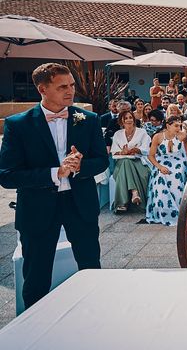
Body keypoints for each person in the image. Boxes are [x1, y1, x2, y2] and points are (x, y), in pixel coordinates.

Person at [0, 63, 108, 309]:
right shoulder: (18, 125)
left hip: (80, 204)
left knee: (91, 267)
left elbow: (101, 160)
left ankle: (98, 318)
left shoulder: (88, 120)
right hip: (37, 208)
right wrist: (54, 173)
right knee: (36, 277)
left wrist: (80, 167)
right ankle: (35, 333)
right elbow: (7, 175)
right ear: (42, 89)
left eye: (71, 85)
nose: (71, 91)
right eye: (62, 87)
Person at [146, 115, 187, 225]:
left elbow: (186, 144)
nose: (179, 128)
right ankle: (162, 211)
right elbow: (151, 156)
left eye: (180, 125)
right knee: (160, 176)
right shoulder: (158, 137)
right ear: (168, 125)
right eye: (176, 126)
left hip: (178, 160)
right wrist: (160, 167)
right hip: (161, 160)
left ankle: (179, 210)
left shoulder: (182, 135)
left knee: (177, 173)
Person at [110, 110, 151, 213]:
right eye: (126, 118)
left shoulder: (142, 132)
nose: (128, 120)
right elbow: (113, 152)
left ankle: (122, 203)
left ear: (134, 119)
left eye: (130, 117)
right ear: (121, 121)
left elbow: (146, 149)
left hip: (139, 162)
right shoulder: (117, 134)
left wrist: (135, 150)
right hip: (121, 163)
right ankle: (135, 193)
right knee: (125, 162)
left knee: (127, 163)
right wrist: (122, 152)